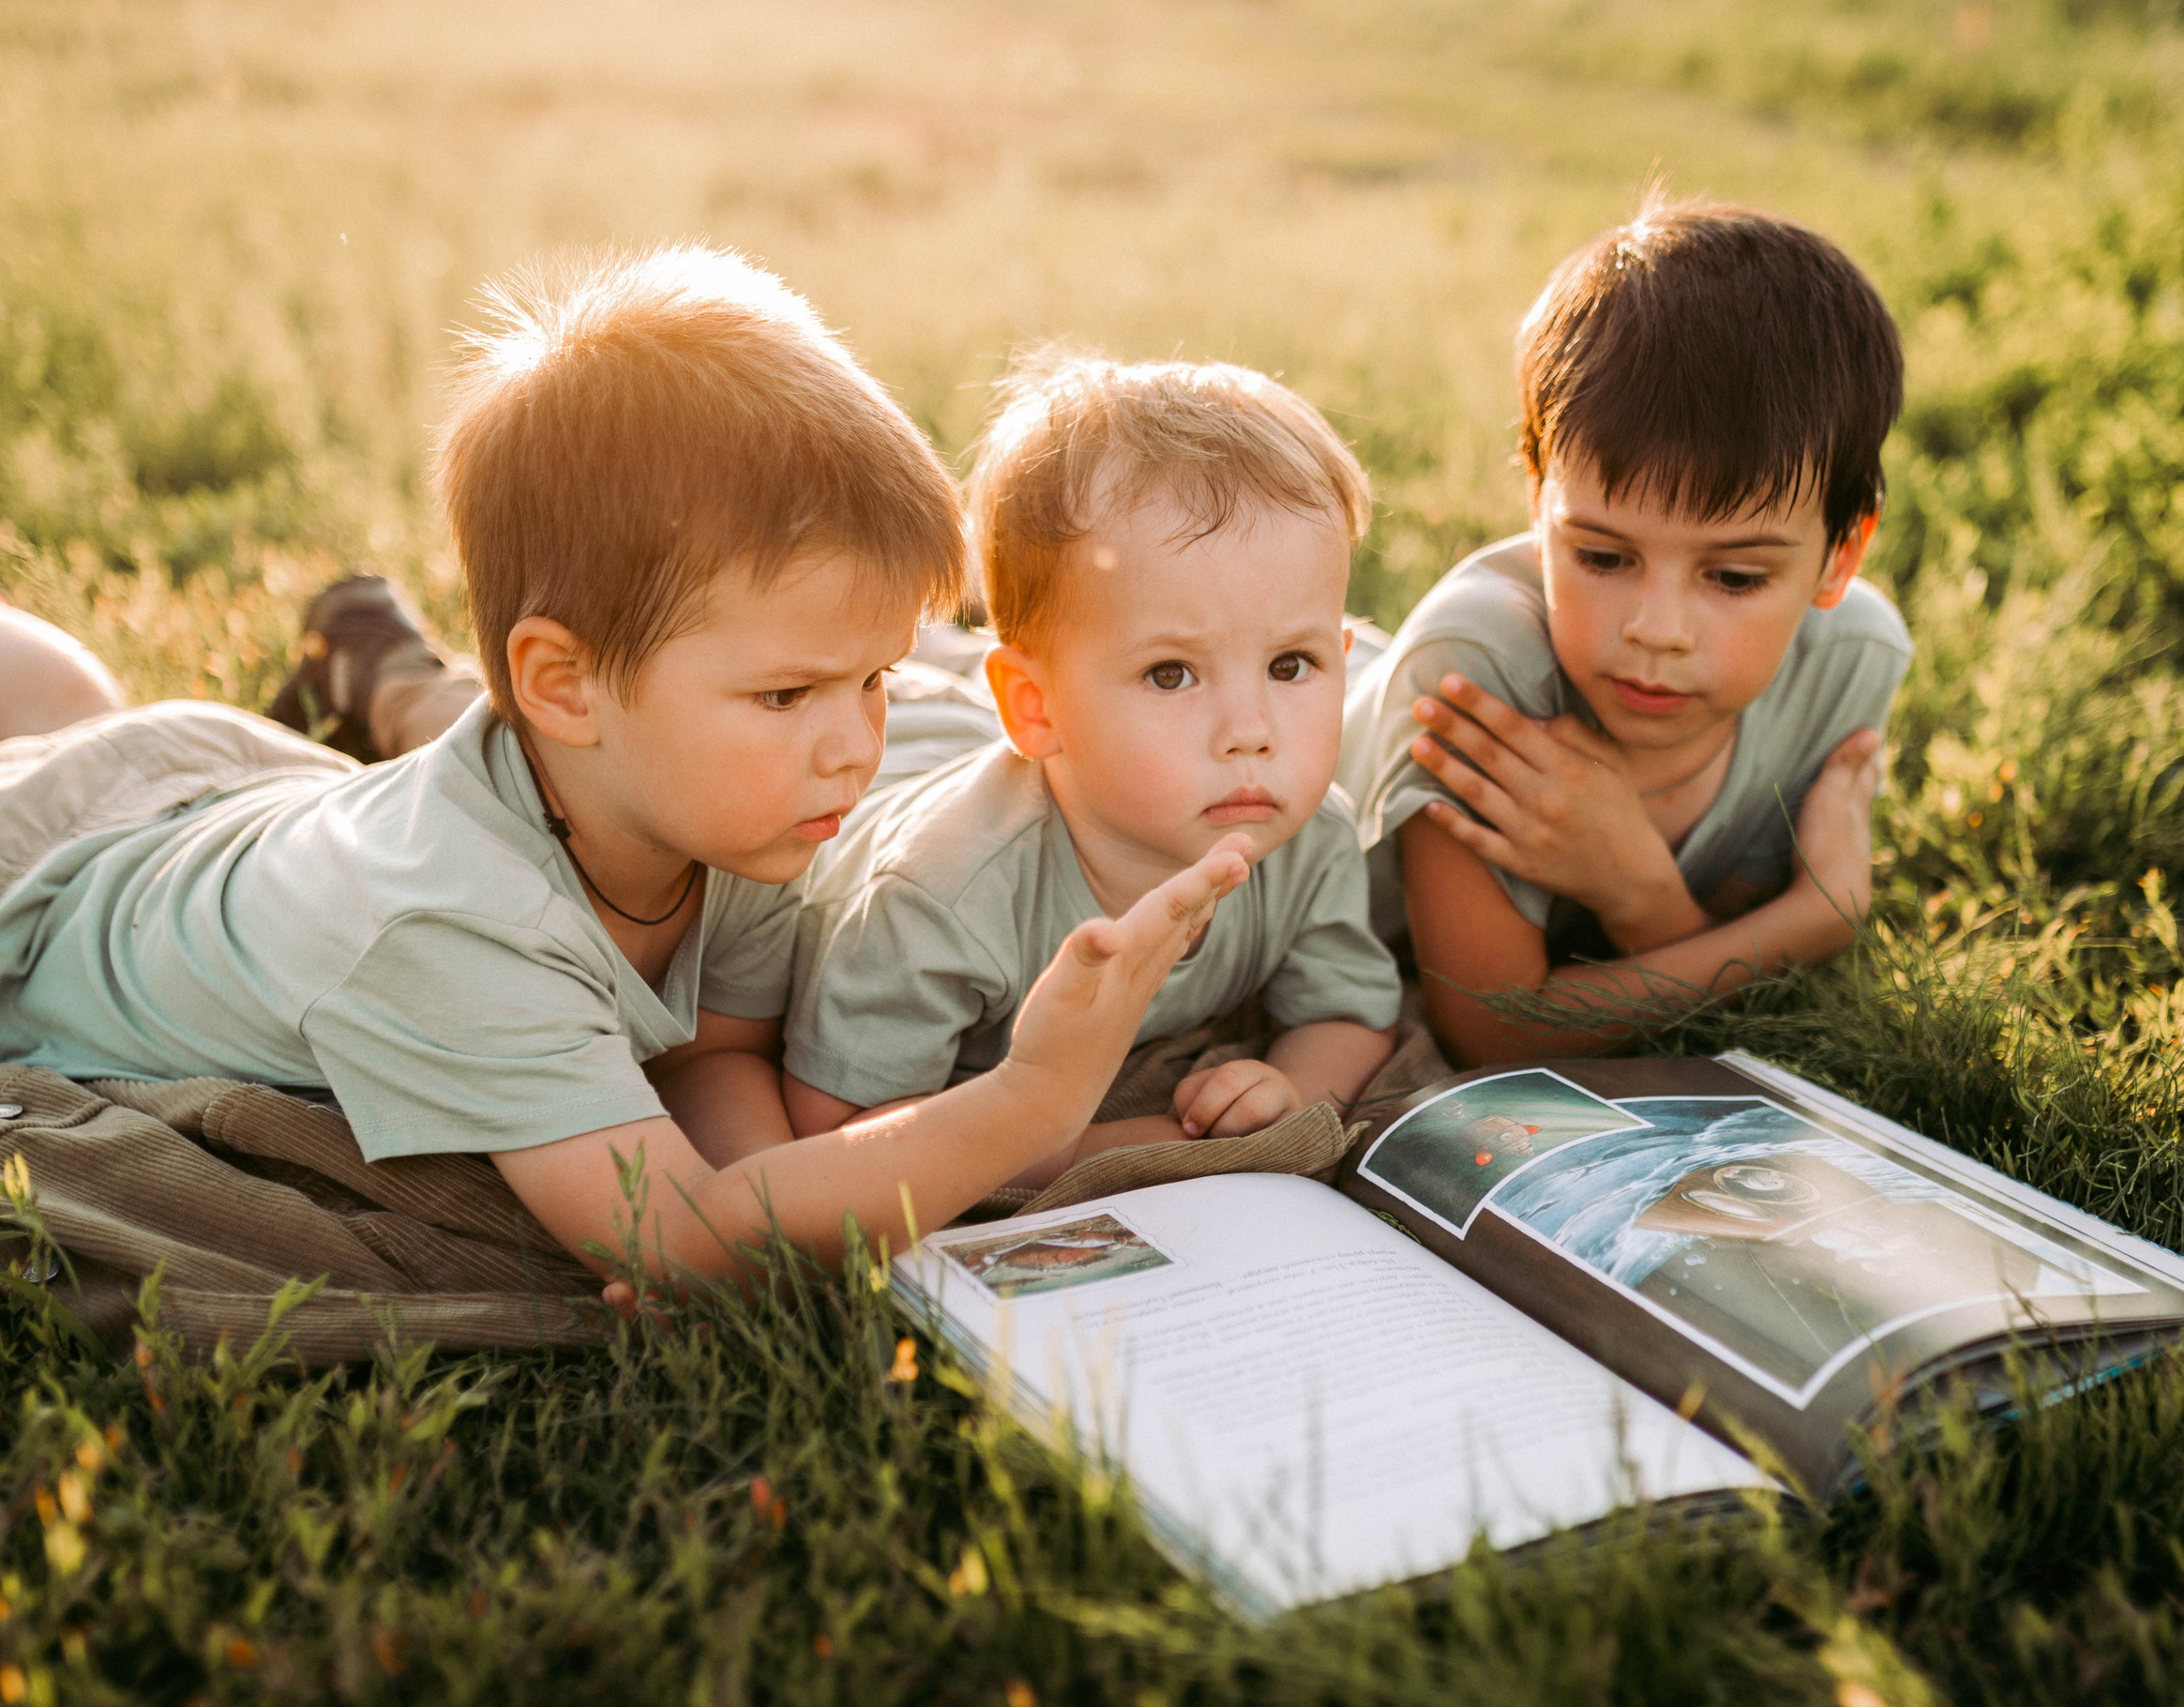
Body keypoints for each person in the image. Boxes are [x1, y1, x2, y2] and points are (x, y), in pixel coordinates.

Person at [0, 246, 1252, 1297]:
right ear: (560, 683)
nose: (855, 744)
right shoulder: (453, 932)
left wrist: (759, 1197)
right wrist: (1028, 1099)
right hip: (52, 864)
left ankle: (358, 662)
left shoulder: (740, 815)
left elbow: (711, 1063)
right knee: (50, 695)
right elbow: (684, 1239)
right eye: (787, 693)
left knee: (75, 697)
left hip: (241, 804)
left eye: (875, 677)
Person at [784, 354, 1402, 1187]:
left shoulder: (1305, 834)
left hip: (1005, 734)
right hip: (901, 773)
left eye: (1291, 665)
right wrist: (1099, 1149)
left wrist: (1293, 1086)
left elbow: (1349, 1015)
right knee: (903, 689)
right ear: (1035, 707)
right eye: (1171, 674)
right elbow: (833, 1127)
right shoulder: (944, 896)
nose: (1252, 733)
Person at [1338, 198, 1913, 1065]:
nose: (1657, 631)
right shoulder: (1476, 673)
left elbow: (1686, 941)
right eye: (1604, 557)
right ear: (1539, 505)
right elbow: (1492, 1028)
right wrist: (1816, 918)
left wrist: (1638, 891)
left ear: (1841, 556)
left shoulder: (1847, 663)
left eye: (1734, 577)